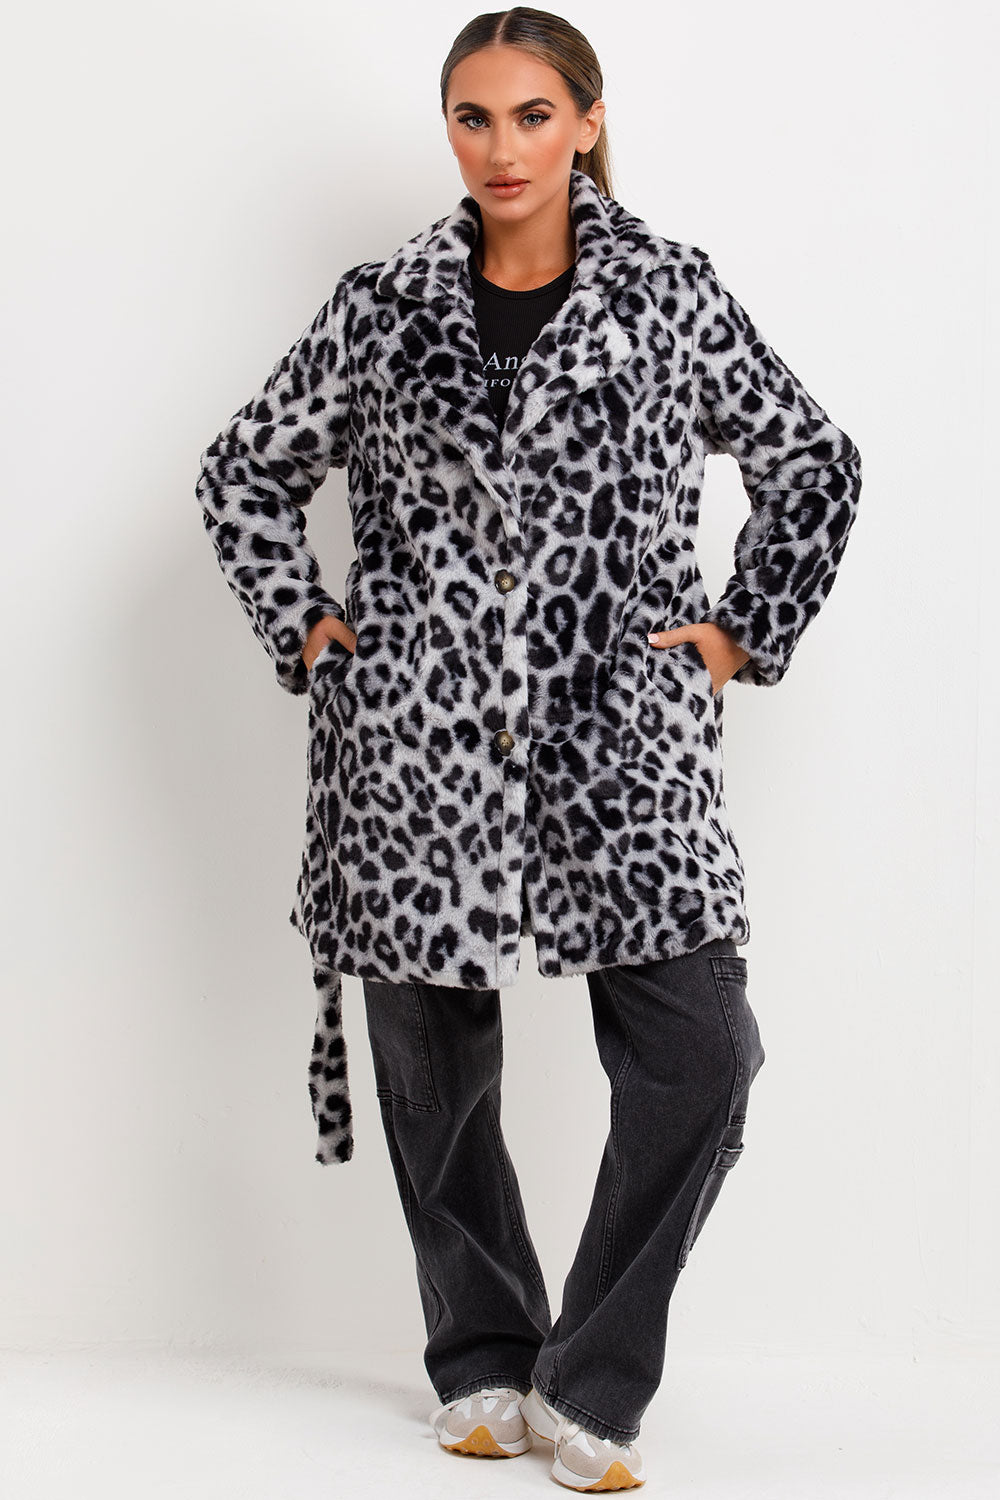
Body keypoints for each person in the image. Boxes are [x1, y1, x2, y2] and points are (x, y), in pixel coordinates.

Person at [194, 6, 862, 1490]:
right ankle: (483, 1358)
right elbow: (245, 472)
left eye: (533, 114)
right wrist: (314, 632)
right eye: (474, 117)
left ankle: (592, 1378)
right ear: (450, 129)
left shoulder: (670, 295)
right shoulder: (380, 308)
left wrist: (739, 633)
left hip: (621, 746)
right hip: (412, 755)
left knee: (703, 1055)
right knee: (435, 1076)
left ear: (587, 122)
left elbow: (813, 461)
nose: (503, 147)